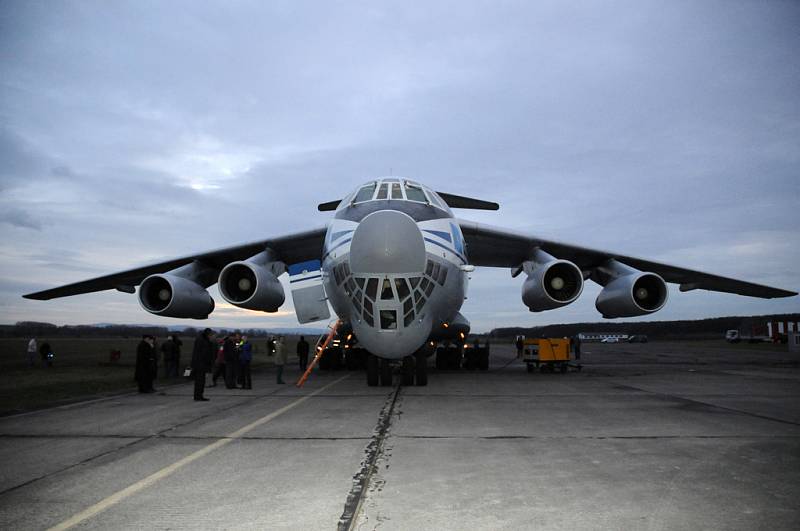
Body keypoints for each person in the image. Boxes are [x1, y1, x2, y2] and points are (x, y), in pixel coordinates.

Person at [191, 328, 216, 401]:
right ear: (208, 334)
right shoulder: (203, 341)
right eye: (210, 335)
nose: (211, 336)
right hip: (200, 364)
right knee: (200, 381)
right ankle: (198, 396)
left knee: (200, 381)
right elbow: (204, 354)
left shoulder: (202, 340)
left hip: (199, 363)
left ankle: (198, 395)